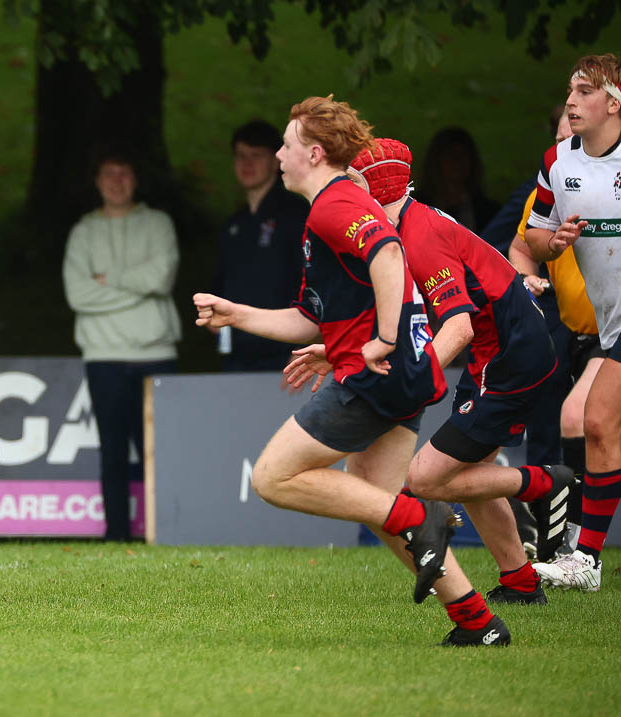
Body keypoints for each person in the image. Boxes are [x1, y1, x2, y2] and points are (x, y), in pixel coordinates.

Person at [195, 96, 510, 647]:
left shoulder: (332, 206)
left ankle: (421, 517)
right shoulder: (333, 206)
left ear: (314, 153)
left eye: (287, 145)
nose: (278, 154)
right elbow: (308, 318)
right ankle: (477, 623)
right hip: (402, 377)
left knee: (272, 477)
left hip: (375, 376)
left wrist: (385, 339)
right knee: (377, 501)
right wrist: (235, 314)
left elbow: (388, 254)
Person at [288, 137, 576, 607]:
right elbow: (410, 320)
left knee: (425, 479)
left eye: (352, 185)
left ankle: (546, 483)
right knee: (468, 469)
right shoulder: (407, 225)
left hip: (509, 357)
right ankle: (521, 584)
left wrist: (412, 377)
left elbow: (457, 328)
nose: (343, 197)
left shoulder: (417, 236)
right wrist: (349, 350)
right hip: (501, 352)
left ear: (374, 189)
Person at [525, 53, 621, 591]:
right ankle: (588, 560)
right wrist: (554, 240)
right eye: (570, 90)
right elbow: (532, 237)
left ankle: (584, 558)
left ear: (613, 103)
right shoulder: (558, 163)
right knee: (601, 425)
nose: (570, 101)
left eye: (584, 91)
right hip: (611, 324)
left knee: (600, 420)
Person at [62, 152, 181, 541]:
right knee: (112, 450)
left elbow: (161, 278)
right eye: (108, 173)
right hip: (103, 355)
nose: (116, 180)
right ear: (97, 180)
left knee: (161, 452)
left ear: (135, 178)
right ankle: (116, 534)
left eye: (124, 172)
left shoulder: (158, 222)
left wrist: (106, 280)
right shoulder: (83, 231)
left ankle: (167, 531)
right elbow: (78, 294)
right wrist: (136, 286)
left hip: (156, 354)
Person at [508, 107, 599, 558]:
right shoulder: (550, 187)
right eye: (564, 120)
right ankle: (555, 539)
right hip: (568, 326)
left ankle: (578, 548)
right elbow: (522, 246)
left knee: (579, 418)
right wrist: (526, 276)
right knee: (557, 423)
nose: (568, 128)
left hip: (608, 328)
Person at [212, 120, 309, 371]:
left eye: (256, 156)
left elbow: (314, 284)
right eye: (241, 156)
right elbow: (220, 286)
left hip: (286, 354)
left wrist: (308, 346)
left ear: (277, 160)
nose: (247, 163)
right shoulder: (233, 225)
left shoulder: (296, 214)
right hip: (235, 353)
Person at [414, 127, 500, 233]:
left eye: (462, 155)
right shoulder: (415, 209)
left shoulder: (487, 212)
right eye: (451, 155)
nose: (457, 162)